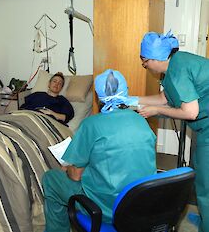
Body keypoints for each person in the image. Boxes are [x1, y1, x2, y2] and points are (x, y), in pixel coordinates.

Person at [42, 69, 157, 232]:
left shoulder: (91, 125)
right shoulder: (142, 121)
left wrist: (67, 168)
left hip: (107, 210)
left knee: (51, 179)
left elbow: (76, 176)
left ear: (98, 96)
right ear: (126, 91)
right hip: (141, 204)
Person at [137, 31, 209, 232]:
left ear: (153, 58)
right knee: (201, 171)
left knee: (206, 184)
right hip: (205, 126)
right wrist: (131, 99)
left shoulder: (177, 70)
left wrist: (156, 111)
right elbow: (163, 98)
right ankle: (205, 218)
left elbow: (190, 112)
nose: (145, 67)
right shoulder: (176, 64)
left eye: (144, 62)